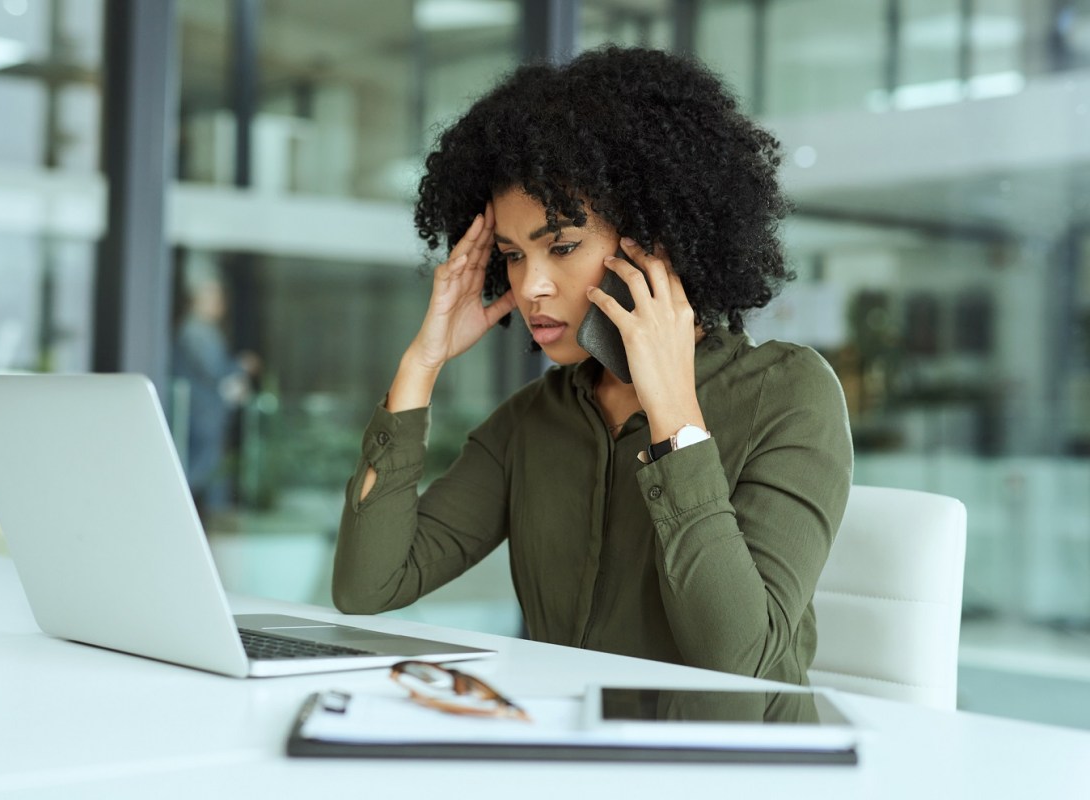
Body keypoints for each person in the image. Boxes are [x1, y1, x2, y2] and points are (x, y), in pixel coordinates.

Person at [332, 47, 853, 692]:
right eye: (513, 256)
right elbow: (367, 586)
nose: (531, 287)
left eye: (563, 247)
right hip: (566, 760)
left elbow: (738, 660)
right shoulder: (532, 421)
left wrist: (674, 416)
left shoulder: (789, 393)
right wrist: (421, 363)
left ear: (654, 240)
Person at [172, 269, 260, 517]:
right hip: (201, 415)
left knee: (212, 472)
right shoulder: (195, 331)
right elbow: (215, 371)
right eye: (214, 297)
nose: (220, 304)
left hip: (206, 414)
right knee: (200, 471)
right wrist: (241, 365)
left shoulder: (202, 331)